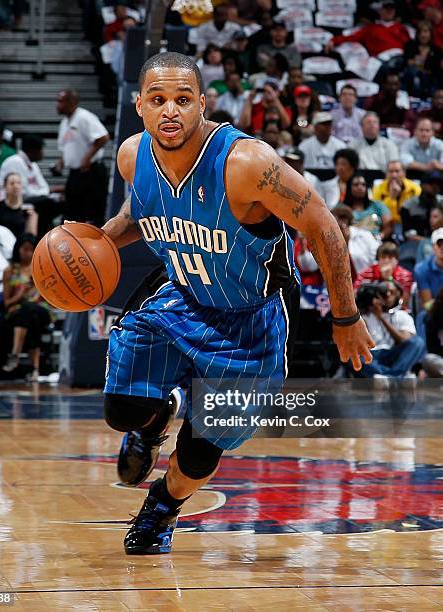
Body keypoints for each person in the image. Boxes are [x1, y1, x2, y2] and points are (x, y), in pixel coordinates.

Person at [99, 52, 373, 555]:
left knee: (200, 453)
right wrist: (95, 244)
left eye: (183, 100)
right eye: (158, 100)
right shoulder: (132, 156)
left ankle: (162, 507)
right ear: (139, 106)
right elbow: (141, 212)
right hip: (179, 305)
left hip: (249, 326)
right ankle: (155, 421)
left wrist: (346, 315)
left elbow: (323, 224)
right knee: (123, 410)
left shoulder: (246, 164)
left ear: (203, 104)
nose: (171, 111)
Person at [355, 280, 425, 388]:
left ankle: (389, 378)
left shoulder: (403, 315)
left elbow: (404, 340)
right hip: (372, 356)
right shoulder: (365, 314)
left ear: (399, 294)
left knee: (418, 342)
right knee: (353, 355)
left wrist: (381, 318)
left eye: (392, 292)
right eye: (383, 292)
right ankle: (397, 377)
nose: (387, 295)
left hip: (393, 354)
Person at [56, 88, 110, 227]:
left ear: (72, 102)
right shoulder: (64, 123)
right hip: (76, 173)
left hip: (92, 172)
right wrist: (61, 162)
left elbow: (103, 137)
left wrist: (87, 158)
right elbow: (66, 147)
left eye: (61, 101)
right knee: (71, 215)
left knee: (92, 216)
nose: (57, 105)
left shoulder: (84, 117)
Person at [1, 233, 51, 382]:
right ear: (18, 249)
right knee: (29, 316)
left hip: (41, 309)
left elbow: (48, 298)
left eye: (31, 249)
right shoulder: (10, 271)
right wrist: (21, 294)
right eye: (24, 249)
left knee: (30, 310)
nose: (27, 253)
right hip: (18, 311)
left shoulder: (43, 267)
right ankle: (35, 369)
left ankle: (15, 354)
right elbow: (7, 303)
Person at [0, 134, 63, 238]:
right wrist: (44, 194)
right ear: (32, 150)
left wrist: (44, 194)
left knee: (57, 202)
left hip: (29, 198)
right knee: (47, 203)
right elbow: (23, 191)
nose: (43, 153)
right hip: (9, 200)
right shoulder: (15, 162)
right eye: (41, 149)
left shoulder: (33, 165)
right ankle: (41, 236)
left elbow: (44, 187)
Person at [326, 1, 410, 57]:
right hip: (380, 60)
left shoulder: (401, 28)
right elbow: (352, 37)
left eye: (392, 9)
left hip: (399, 57)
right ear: (380, 10)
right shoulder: (371, 28)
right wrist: (334, 40)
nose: (390, 11)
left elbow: (410, 46)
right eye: (386, 9)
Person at [354, 242, 413, 309]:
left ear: (396, 260)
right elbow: (355, 296)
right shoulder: (365, 274)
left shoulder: (405, 276)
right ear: (378, 259)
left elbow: (404, 303)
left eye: (390, 258)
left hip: (396, 313)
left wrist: (388, 278)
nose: (386, 261)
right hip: (369, 312)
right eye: (383, 257)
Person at [331, 204, 379, 279]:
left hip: (366, 281)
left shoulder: (364, 235)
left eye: (343, 218)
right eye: (335, 220)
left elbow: (377, 258)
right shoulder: (329, 240)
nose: (340, 222)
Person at [372, 160, 422, 226]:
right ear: (386, 174)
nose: (394, 175)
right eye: (390, 171)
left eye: (397, 171)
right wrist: (391, 198)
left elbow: (416, 211)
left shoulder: (415, 188)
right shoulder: (378, 188)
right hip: (387, 225)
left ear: (404, 173)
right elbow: (376, 212)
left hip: (408, 224)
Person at [402, 20, 443, 99]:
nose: (423, 35)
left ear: (430, 33)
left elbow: (437, 68)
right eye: (420, 32)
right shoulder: (410, 45)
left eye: (425, 32)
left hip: (431, 81)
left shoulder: (437, 50)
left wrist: (418, 63)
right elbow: (408, 63)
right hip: (412, 78)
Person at [0, 173, 38, 238]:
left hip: (18, 245)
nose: (16, 186)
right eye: (12, 183)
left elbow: (32, 236)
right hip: (1, 243)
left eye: (18, 183)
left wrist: (31, 218)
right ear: (5, 187)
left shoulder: (28, 207)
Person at [344, 172, 392, 239]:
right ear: (349, 188)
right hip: (352, 242)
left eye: (363, 185)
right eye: (356, 185)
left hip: (375, 242)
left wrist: (379, 237)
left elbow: (388, 227)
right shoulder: (342, 209)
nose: (360, 187)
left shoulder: (378, 205)